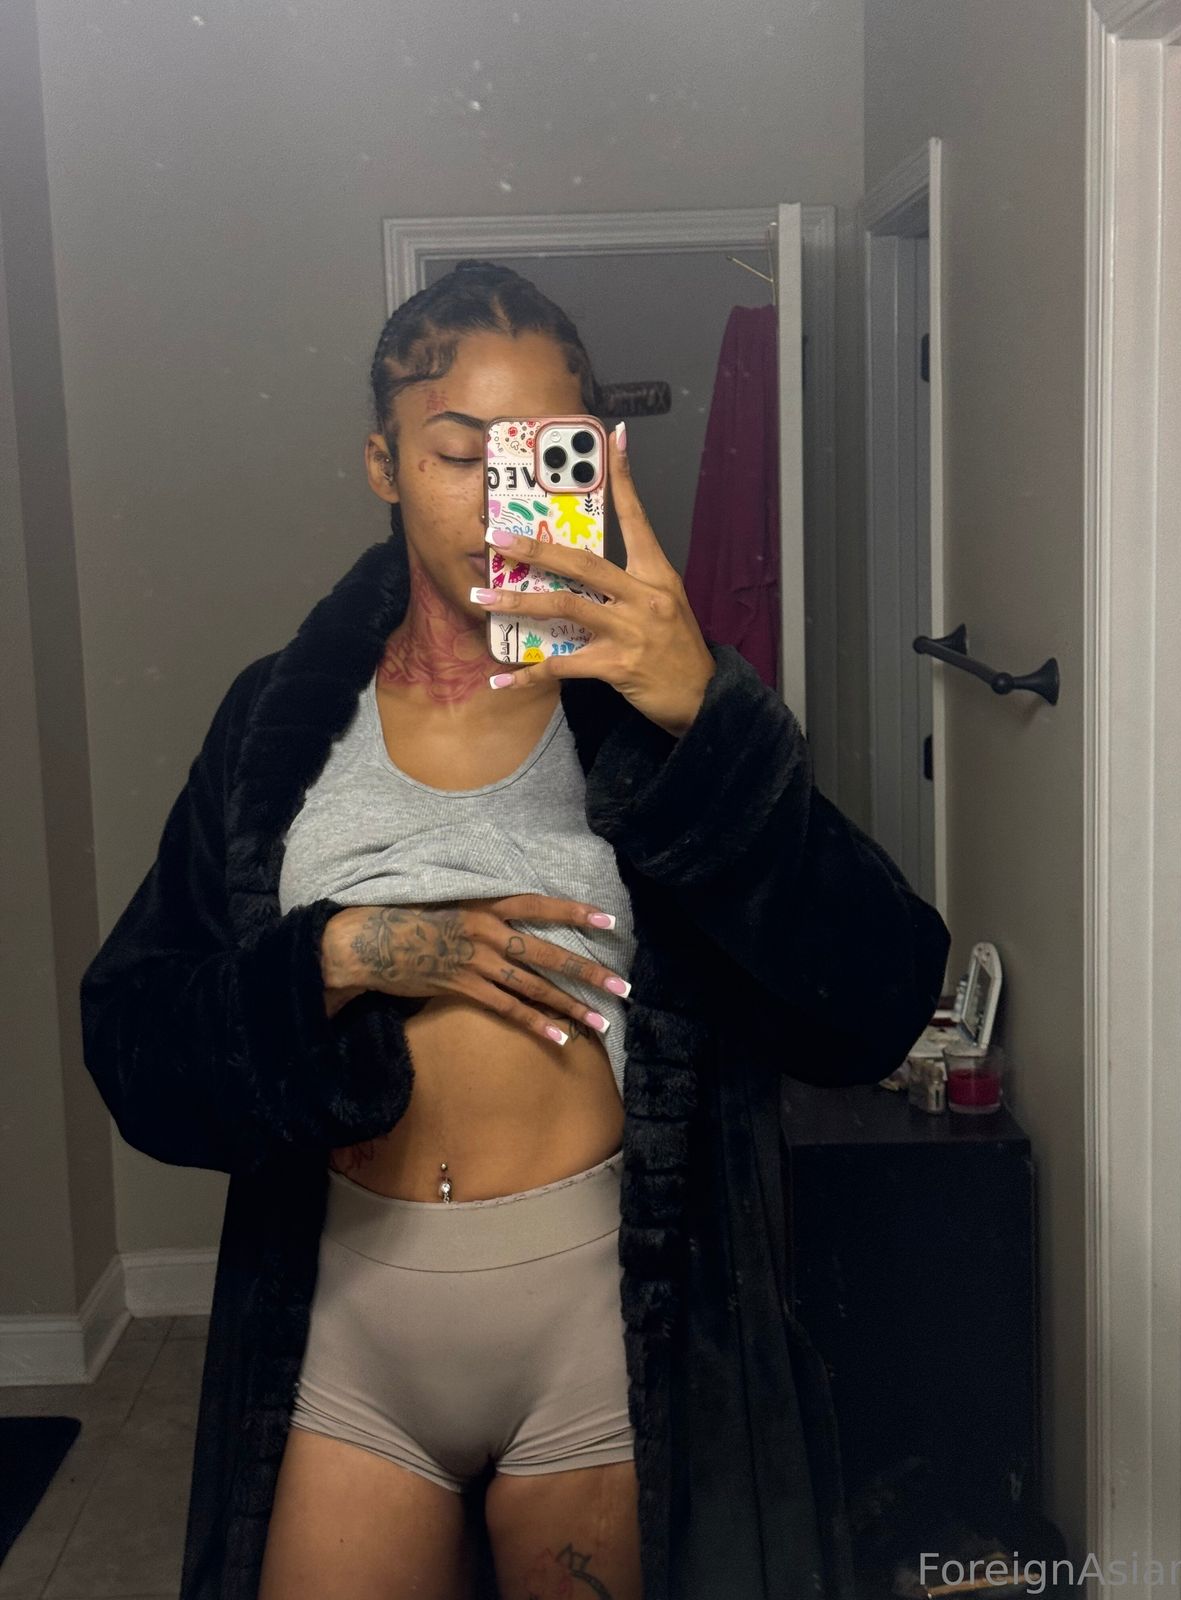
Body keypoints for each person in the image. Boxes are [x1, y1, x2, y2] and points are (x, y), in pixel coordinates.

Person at [79, 260, 952, 1600]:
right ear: (383, 464)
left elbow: (877, 998)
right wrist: (340, 957)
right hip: (349, 1323)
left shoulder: (654, 712)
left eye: (538, 455)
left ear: (594, 460)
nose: (500, 498)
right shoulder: (276, 721)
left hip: (600, 1328)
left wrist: (704, 710)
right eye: (457, 452)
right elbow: (137, 1036)